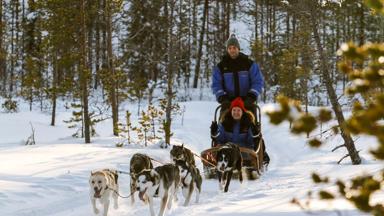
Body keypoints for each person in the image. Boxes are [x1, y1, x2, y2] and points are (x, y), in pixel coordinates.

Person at [212, 34, 264, 112]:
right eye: (229, 48)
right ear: (227, 49)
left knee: (250, 123)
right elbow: (216, 84)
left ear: (238, 49)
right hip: (228, 101)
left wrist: (251, 96)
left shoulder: (249, 64)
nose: (232, 50)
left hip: (247, 101)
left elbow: (257, 81)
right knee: (224, 123)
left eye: (234, 48)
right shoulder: (221, 66)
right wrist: (222, 98)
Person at [210, 97, 270, 165]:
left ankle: (252, 167)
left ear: (242, 112)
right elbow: (220, 139)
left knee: (256, 146)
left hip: (244, 151)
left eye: (238, 110)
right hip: (227, 151)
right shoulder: (224, 123)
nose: (236, 112)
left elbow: (251, 142)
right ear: (231, 111)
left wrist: (255, 135)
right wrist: (214, 133)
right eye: (234, 110)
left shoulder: (248, 123)